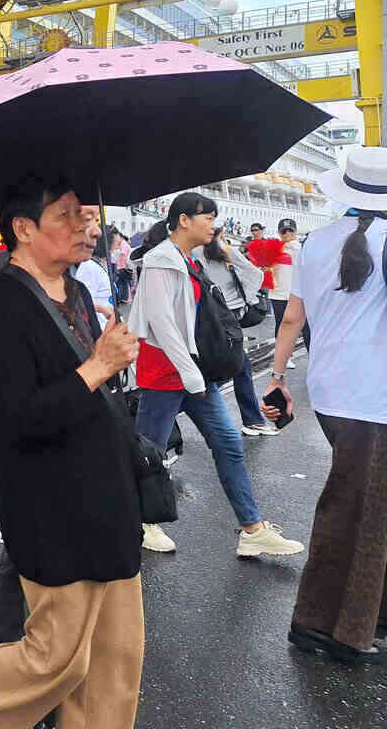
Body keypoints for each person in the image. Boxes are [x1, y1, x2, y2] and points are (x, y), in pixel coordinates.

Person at [0, 179, 143, 729]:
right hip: (48, 499)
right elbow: (12, 418)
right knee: (57, 656)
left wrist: (110, 364)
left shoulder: (79, 293)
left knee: (116, 658)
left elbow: (88, 388)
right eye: (67, 216)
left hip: (107, 491)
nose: (87, 228)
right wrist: (99, 367)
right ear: (23, 228)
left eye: (88, 216)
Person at [128, 192, 303, 558]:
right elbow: (159, 323)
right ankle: (141, 522)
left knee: (228, 444)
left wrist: (195, 373)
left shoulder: (187, 258)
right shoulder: (161, 260)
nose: (212, 223)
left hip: (194, 373)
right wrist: (190, 373)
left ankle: (252, 528)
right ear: (182, 221)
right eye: (206, 216)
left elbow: (243, 283)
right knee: (149, 454)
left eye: (214, 216)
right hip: (164, 374)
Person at [265, 147, 387, 664]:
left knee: (354, 500)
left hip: (331, 394)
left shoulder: (314, 242)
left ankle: (354, 617)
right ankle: (337, 629)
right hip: (376, 398)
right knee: (366, 513)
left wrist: (276, 378)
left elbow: (293, 318)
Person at [195, 227, 274, 436]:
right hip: (228, 315)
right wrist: (247, 297)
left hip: (208, 313)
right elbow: (255, 273)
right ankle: (251, 419)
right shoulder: (225, 249)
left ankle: (252, 419)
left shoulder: (192, 251)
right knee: (237, 365)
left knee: (237, 365)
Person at [269, 217, 307, 365]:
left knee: (302, 325)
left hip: (296, 293)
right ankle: (284, 357)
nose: (287, 234)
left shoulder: (300, 248)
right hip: (278, 293)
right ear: (279, 233)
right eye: (284, 231)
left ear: (295, 232)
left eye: (290, 230)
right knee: (281, 325)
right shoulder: (274, 249)